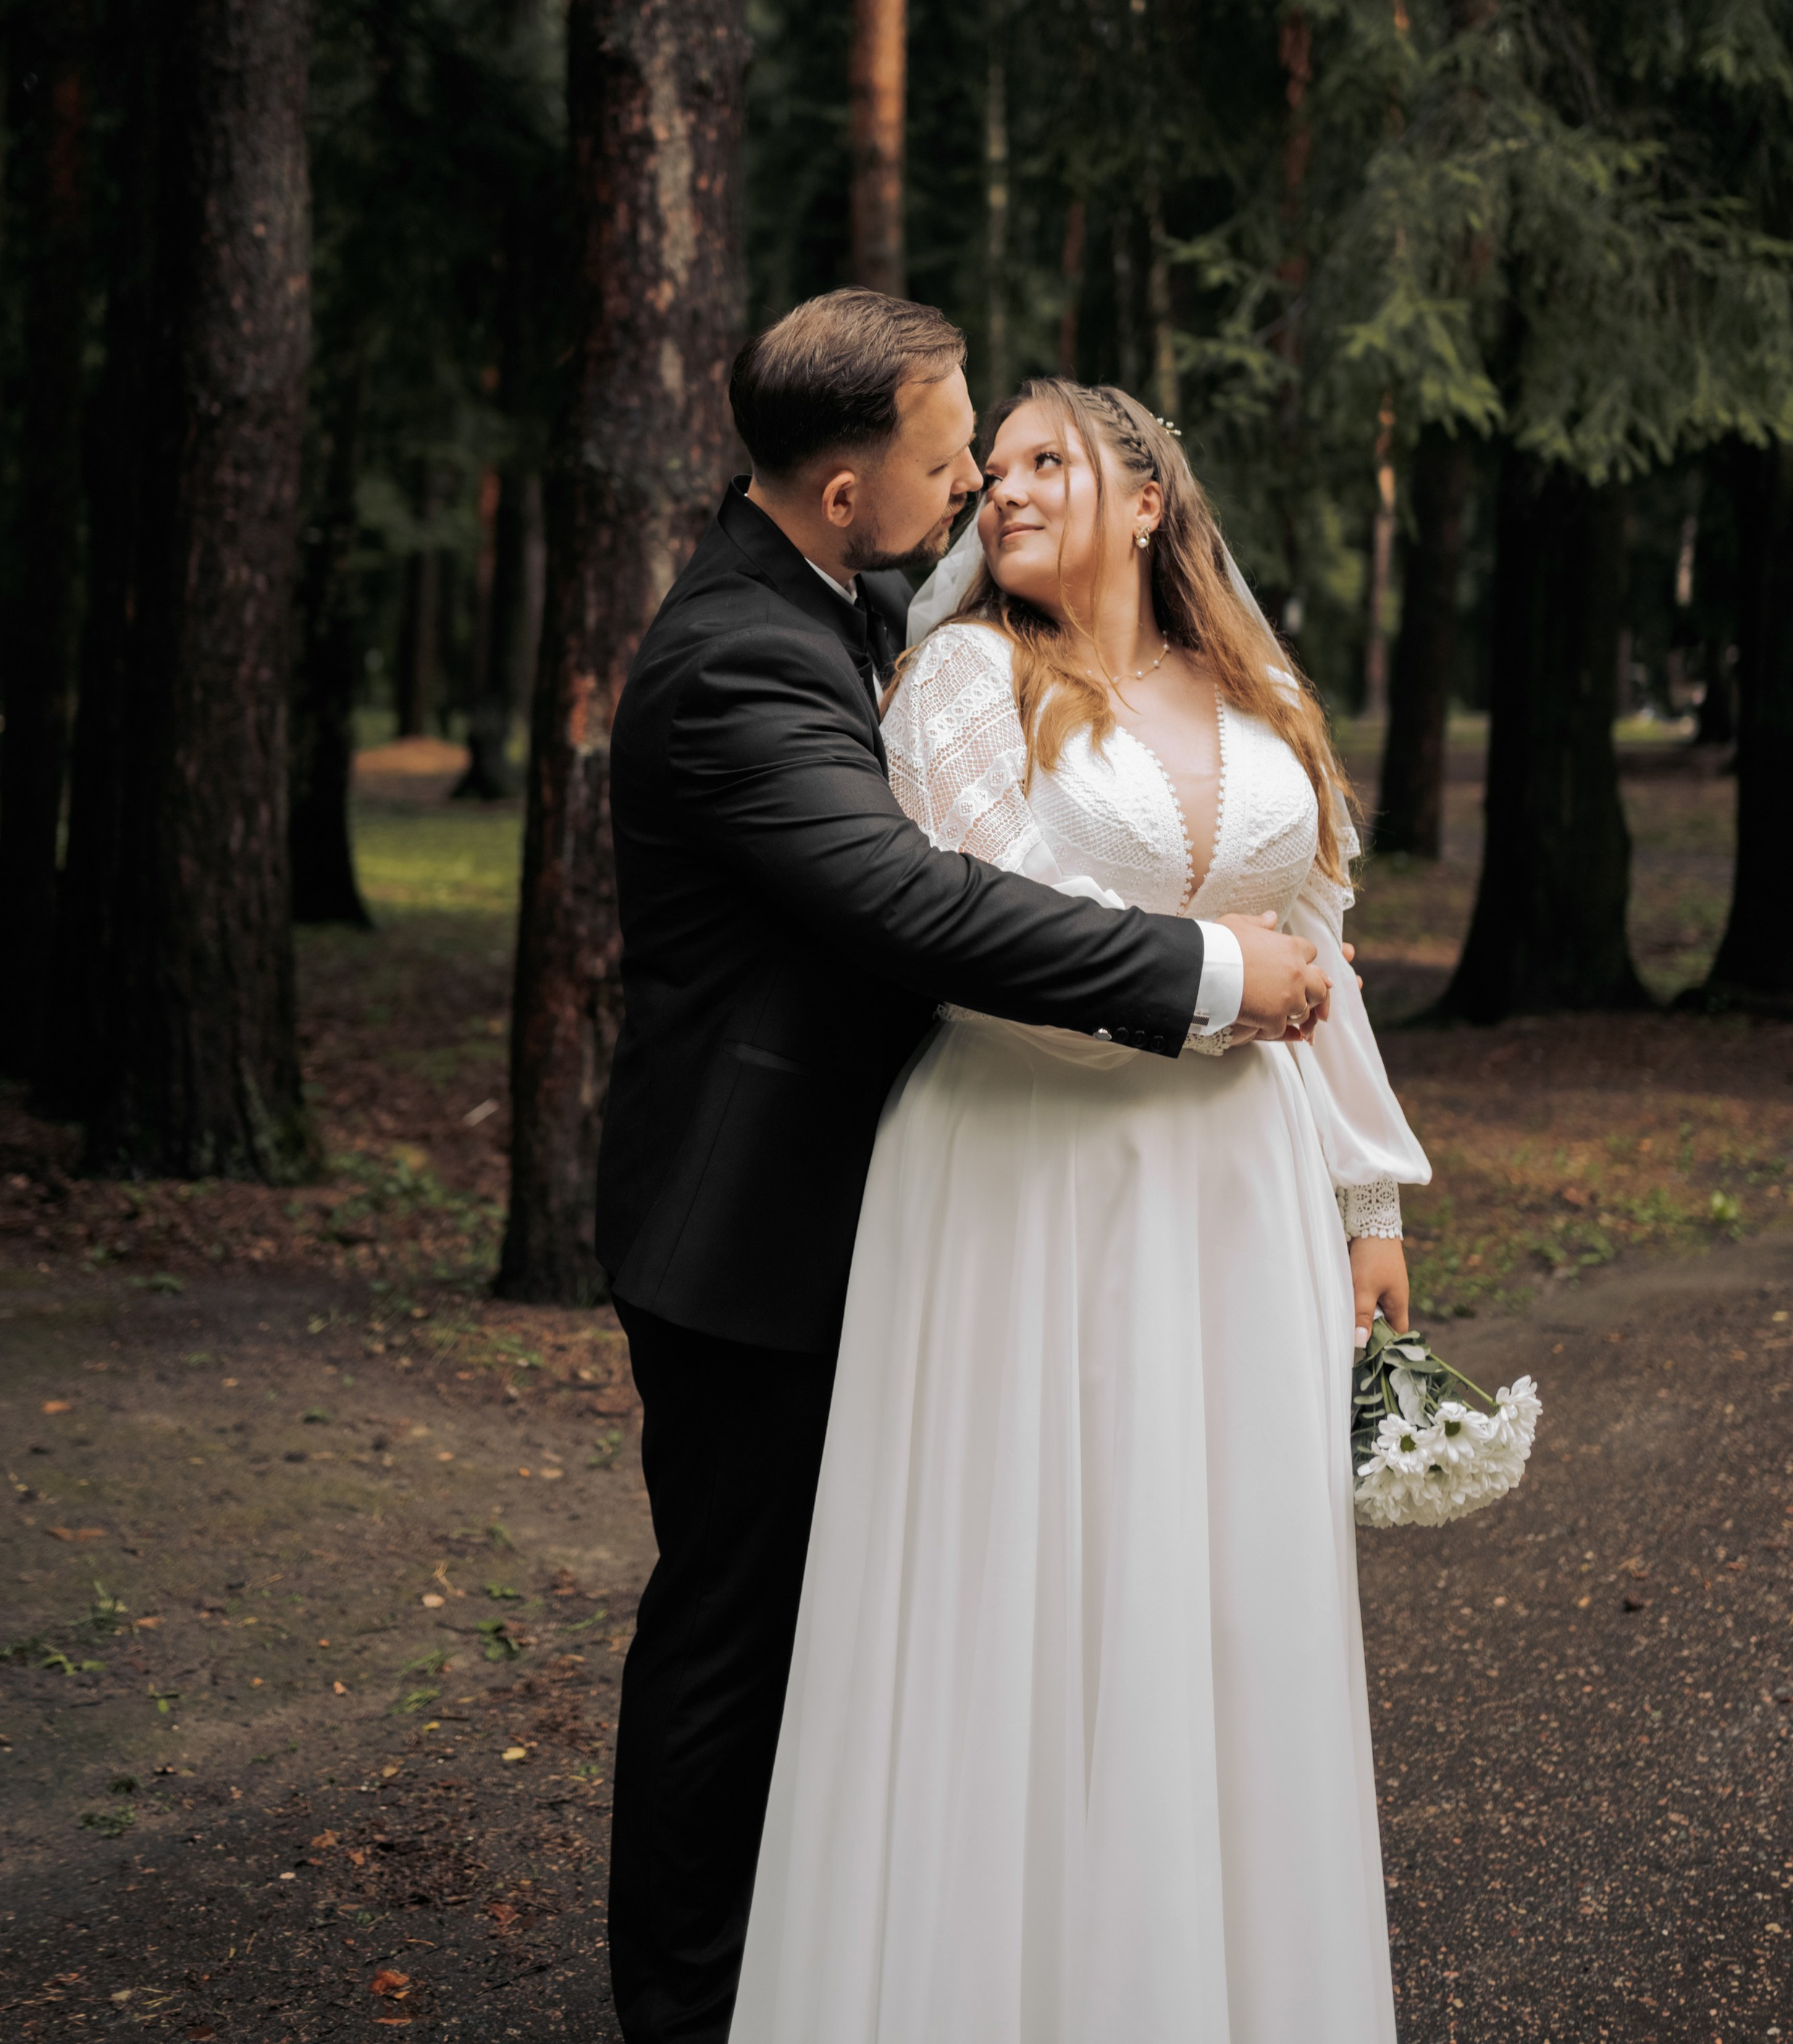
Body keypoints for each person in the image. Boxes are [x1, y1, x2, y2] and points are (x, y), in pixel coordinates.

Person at [597, 294, 1330, 2044]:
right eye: (947, 460)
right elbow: (911, 904)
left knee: (877, 1620)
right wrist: (1214, 975)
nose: (971, 487)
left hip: (891, 1208)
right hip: (749, 1222)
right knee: (739, 1640)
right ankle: (690, 2012)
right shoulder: (732, 661)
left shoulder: (828, 602)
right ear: (847, 494)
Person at [728, 376, 1429, 2044]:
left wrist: (1365, 1194)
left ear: (1145, 503)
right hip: (1025, 1182)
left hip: (1235, 1202)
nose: (1001, 491)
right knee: (1030, 1593)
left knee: (1223, 1602)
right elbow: (986, 951)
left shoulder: (1250, 691)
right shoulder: (961, 686)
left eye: (1048, 462)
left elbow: (1313, 960)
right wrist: (1218, 995)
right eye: (993, 471)